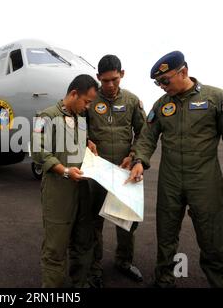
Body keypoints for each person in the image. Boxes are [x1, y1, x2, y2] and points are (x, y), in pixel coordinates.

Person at [126, 51, 223, 288]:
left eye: (165, 80)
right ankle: (164, 280)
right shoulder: (162, 105)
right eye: (157, 82)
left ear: (183, 72)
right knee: (166, 235)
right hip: (170, 180)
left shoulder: (214, 97)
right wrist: (139, 161)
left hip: (205, 180)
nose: (162, 87)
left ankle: (219, 281)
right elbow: (147, 138)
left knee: (212, 236)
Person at [31, 74, 98, 287]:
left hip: (81, 191)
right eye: (86, 102)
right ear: (73, 94)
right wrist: (65, 171)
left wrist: (88, 143)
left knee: (83, 243)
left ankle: (80, 284)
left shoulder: (80, 119)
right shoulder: (46, 116)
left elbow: (72, 142)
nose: (87, 107)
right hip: (59, 192)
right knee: (55, 248)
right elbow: (38, 150)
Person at [85, 55, 146, 287]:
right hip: (96, 171)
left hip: (124, 171)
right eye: (105, 80)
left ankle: (124, 261)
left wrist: (133, 156)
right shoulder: (90, 100)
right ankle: (94, 269)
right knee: (94, 223)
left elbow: (144, 134)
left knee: (125, 220)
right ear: (98, 78)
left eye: (115, 79)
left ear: (122, 74)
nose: (110, 85)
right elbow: (78, 128)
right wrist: (86, 141)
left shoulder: (132, 101)